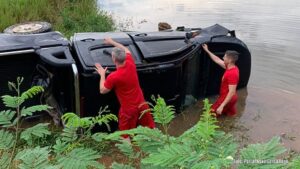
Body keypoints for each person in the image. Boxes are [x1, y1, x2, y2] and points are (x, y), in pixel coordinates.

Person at [95, 37, 155, 139]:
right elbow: (126, 49)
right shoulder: (130, 62)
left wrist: (102, 74)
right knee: (150, 127)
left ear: (113, 59)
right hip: (142, 103)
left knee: (125, 133)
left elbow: (102, 90)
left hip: (128, 109)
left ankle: (129, 153)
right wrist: (112, 42)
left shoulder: (114, 76)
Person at [202, 44, 240, 117]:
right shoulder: (230, 67)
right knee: (230, 117)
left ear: (230, 60)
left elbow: (231, 92)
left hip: (227, 98)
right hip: (231, 99)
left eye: (224, 57)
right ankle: (229, 126)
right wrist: (207, 51)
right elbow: (217, 60)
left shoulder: (232, 73)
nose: (223, 58)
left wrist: (222, 105)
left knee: (209, 116)